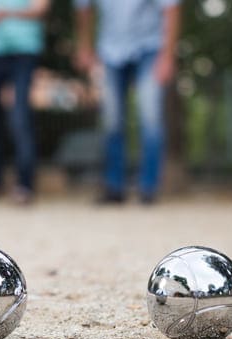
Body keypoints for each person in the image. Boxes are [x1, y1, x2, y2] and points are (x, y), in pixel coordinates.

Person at [74, 0, 181, 204]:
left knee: (150, 118)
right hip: (110, 49)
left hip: (150, 47)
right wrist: (84, 46)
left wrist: (167, 56)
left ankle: (148, 188)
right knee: (112, 122)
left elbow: (171, 8)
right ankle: (114, 187)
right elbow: (83, 8)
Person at [0, 0, 50, 205]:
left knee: (20, 117)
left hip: (24, 49)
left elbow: (41, 9)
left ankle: (25, 184)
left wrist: (7, 14)